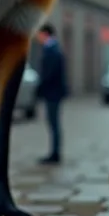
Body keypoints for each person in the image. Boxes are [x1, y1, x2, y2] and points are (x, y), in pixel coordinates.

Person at [36, 23, 68, 165]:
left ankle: (55, 153)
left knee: (53, 123)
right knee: (53, 123)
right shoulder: (52, 49)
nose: (38, 38)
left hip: (53, 93)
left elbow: (49, 74)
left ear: (45, 34)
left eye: (39, 35)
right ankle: (54, 152)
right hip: (53, 92)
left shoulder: (52, 50)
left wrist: (39, 88)